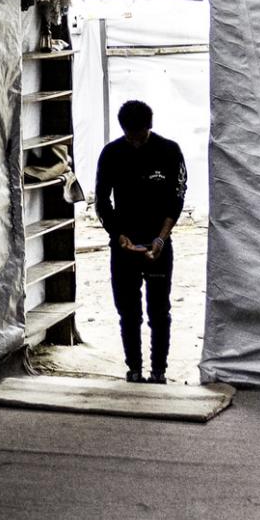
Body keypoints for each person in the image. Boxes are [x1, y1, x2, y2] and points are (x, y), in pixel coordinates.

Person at [92, 99, 186, 383]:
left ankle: (159, 371)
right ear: (123, 130)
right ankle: (134, 368)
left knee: (159, 312)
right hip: (123, 247)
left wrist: (161, 238)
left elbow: (177, 198)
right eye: (130, 137)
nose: (135, 142)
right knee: (128, 313)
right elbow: (101, 200)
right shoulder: (111, 154)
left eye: (140, 137)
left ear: (150, 127)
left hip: (158, 245)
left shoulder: (169, 152)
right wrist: (117, 234)